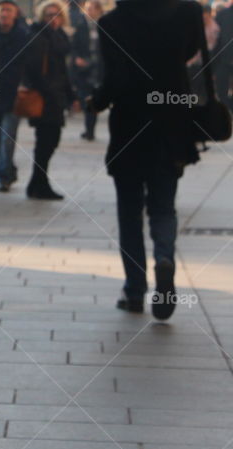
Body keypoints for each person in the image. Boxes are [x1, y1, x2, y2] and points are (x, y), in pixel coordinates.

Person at [89, 0, 204, 320]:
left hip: (130, 127)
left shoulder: (112, 23)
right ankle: (164, 257)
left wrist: (96, 102)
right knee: (163, 207)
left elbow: (115, 78)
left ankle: (135, 290)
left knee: (129, 212)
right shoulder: (186, 13)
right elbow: (188, 54)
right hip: (172, 124)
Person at [24, 0, 77, 200]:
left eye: (57, 15)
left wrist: (71, 96)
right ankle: (40, 184)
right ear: (41, 16)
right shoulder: (38, 37)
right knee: (45, 142)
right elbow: (35, 71)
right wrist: (50, 92)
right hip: (45, 98)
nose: (53, 19)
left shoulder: (59, 37)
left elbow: (63, 71)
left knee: (49, 142)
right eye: (49, 15)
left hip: (56, 97)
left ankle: (36, 182)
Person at [0, 0, 29, 191]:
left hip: (14, 93)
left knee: (7, 136)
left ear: (15, 13)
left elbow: (30, 65)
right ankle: (8, 167)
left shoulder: (23, 36)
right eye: (2, 10)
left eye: (8, 10)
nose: (4, 14)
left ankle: (3, 176)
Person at [70, 0, 104, 141]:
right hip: (84, 69)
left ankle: (90, 130)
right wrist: (77, 58)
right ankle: (88, 128)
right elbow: (74, 46)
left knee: (93, 100)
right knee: (85, 99)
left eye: (92, 9)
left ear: (98, 11)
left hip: (98, 69)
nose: (89, 11)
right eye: (87, 8)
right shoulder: (80, 26)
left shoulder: (104, 25)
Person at [216, 1, 233, 107]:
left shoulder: (222, 14)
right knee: (222, 89)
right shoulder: (222, 14)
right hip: (223, 59)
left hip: (223, 58)